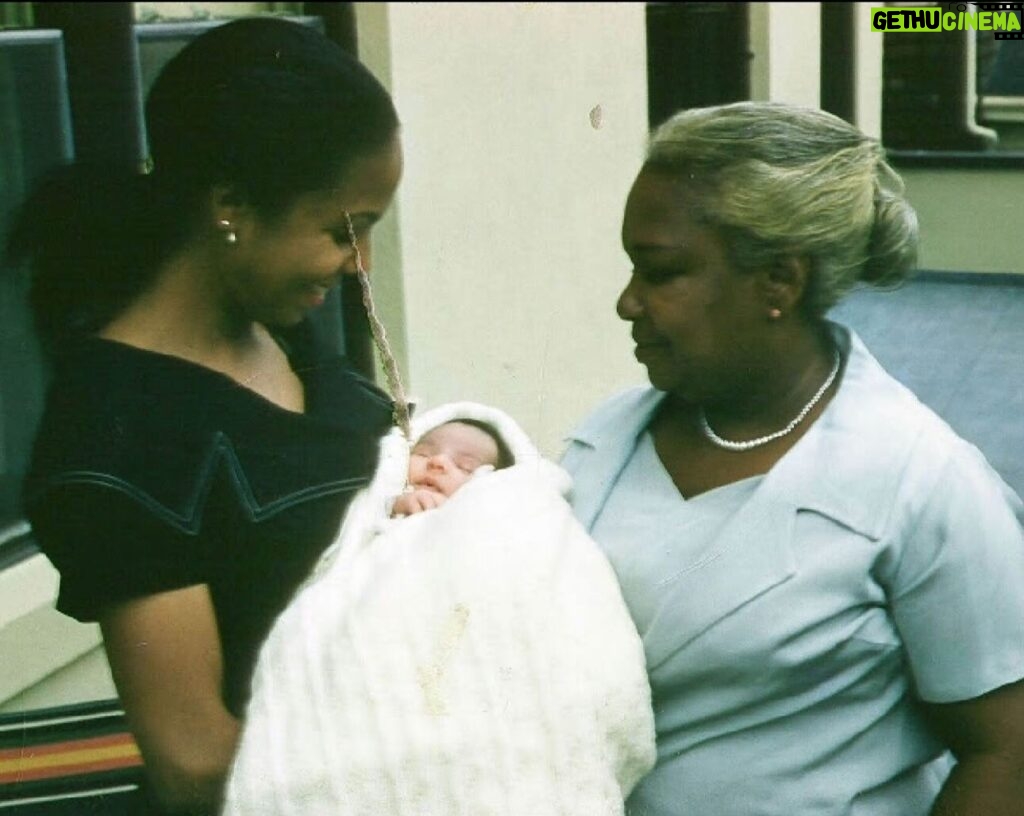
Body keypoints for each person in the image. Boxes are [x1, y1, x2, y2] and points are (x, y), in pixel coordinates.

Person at [560, 101, 1024, 816]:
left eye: (662, 273)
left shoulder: (922, 482)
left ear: (779, 281)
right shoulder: (608, 438)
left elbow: (1006, 751)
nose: (628, 303)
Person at [7, 17, 402, 815]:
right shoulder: (117, 431)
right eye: (342, 232)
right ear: (232, 205)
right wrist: (448, 736)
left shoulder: (286, 337)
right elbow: (192, 761)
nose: (358, 267)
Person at [221, 401, 656, 816]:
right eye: (424, 453)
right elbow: (353, 567)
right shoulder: (390, 508)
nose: (438, 464)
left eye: (464, 466)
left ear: (494, 478)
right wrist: (395, 510)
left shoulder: (509, 514)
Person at [390, 418, 514, 516]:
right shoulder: (380, 502)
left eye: (465, 467)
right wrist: (394, 506)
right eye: (423, 454)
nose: (438, 461)